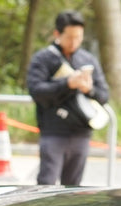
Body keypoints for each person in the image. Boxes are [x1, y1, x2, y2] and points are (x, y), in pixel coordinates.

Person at [27, 11, 110, 187]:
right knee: (46, 185)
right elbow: (36, 91)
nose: (74, 42)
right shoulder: (43, 59)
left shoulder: (87, 59)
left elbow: (104, 95)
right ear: (57, 34)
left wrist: (89, 89)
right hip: (53, 131)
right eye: (69, 37)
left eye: (78, 37)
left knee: (73, 188)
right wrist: (67, 84)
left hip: (81, 132)